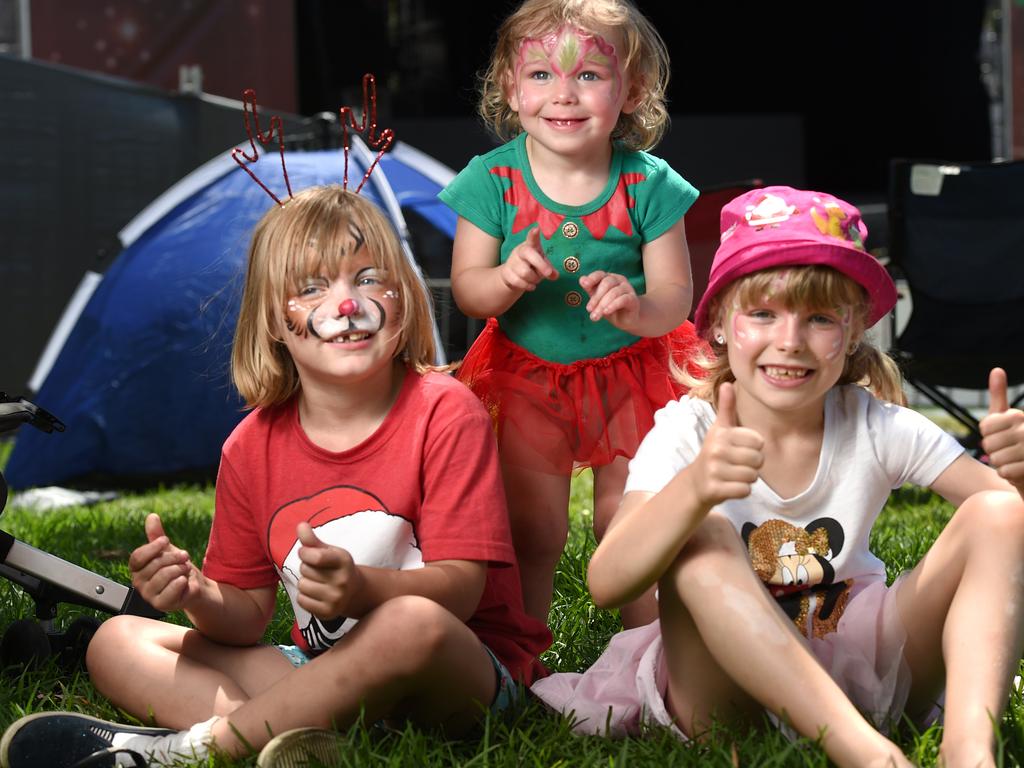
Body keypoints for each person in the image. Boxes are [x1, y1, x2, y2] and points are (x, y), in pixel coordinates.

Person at [0, 186, 551, 768]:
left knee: (410, 622)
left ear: (405, 296)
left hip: (463, 678)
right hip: (321, 672)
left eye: (367, 278)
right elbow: (242, 616)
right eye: (312, 288)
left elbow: (460, 592)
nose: (346, 304)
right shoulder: (250, 447)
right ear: (274, 323)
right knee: (116, 641)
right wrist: (194, 593)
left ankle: (194, 751)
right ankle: (305, 741)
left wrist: (365, 591)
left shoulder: (445, 411)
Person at [531, 186, 1024, 768]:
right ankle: (867, 756)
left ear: (855, 329)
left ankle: (968, 752)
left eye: (818, 318)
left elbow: (1005, 542)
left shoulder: (877, 425)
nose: (789, 340)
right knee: (703, 533)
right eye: (762, 313)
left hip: (856, 662)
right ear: (715, 324)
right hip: (721, 692)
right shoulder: (688, 431)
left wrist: (1016, 481)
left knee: (1001, 512)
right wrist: (696, 490)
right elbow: (608, 584)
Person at [439, 0, 701, 629]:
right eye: (540, 76)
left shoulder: (650, 184)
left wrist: (638, 308)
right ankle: (520, 654)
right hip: (526, 373)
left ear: (631, 90)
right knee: (533, 527)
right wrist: (504, 279)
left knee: (628, 521)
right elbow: (469, 292)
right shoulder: (491, 182)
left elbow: (676, 299)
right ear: (509, 86)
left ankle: (648, 654)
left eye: (588, 75)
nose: (563, 95)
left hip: (633, 374)